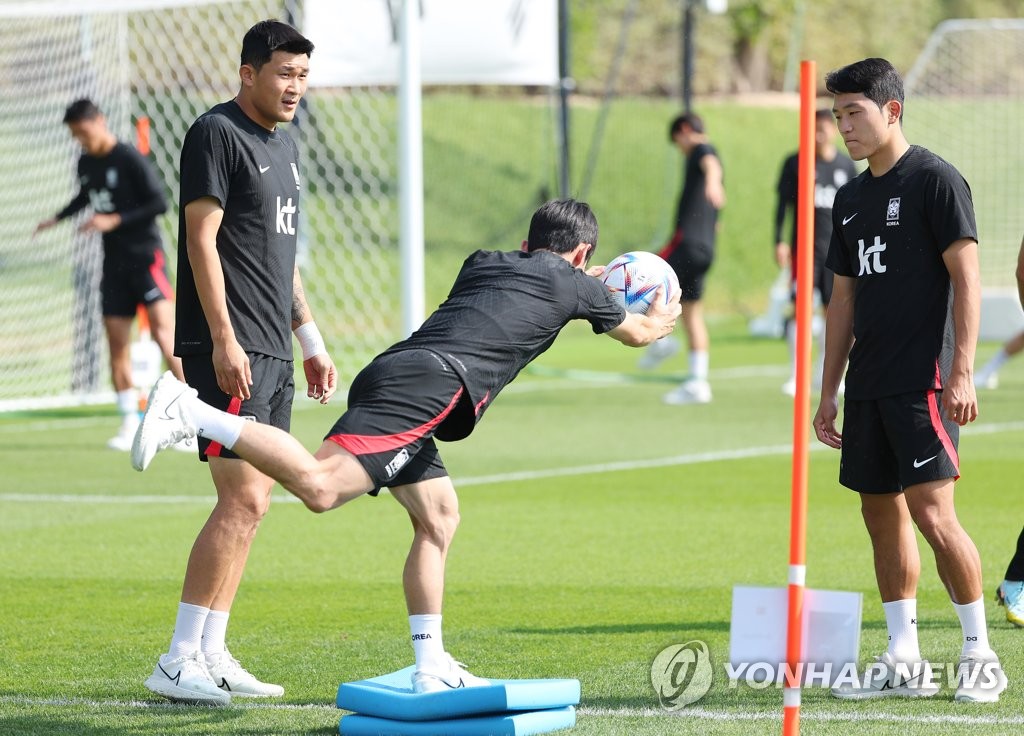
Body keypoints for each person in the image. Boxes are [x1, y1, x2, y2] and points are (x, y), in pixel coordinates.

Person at [132, 198, 681, 695]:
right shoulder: (576, 283)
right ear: (582, 252)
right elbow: (635, 332)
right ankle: (189, 410)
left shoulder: (484, 260)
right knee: (322, 489)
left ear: (527, 242)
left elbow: (541, 288)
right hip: (434, 387)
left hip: (397, 369)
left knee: (439, 517)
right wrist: (661, 315)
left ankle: (431, 663)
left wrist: (595, 284)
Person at [142, 20, 338, 706]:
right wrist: (221, 339)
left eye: (303, 77)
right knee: (244, 496)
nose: (295, 88)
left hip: (274, 348)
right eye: (284, 74)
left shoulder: (282, 146)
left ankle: (211, 650)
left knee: (255, 506)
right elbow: (200, 241)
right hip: (229, 348)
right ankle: (176, 658)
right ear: (248, 72)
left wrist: (308, 338)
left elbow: (280, 259)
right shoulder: (215, 133)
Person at [812, 58, 1006, 702]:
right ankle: (905, 658)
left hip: (924, 380)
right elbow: (842, 303)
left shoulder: (936, 180)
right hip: (867, 383)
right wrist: (828, 389)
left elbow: (968, 279)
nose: (844, 126)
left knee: (933, 514)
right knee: (879, 515)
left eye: (854, 112)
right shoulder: (849, 197)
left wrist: (962, 371)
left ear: (891, 110)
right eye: (837, 114)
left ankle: (980, 656)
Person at [35, 98, 183, 451]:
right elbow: (87, 196)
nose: (80, 140)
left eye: (83, 132)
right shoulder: (86, 161)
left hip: (147, 260)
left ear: (99, 122)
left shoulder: (128, 157)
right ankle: (128, 423)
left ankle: (191, 420)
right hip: (113, 266)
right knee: (117, 345)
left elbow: (158, 203)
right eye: (75, 135)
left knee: (168, 339)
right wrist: (58, 217)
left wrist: (114, 220)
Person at [638, 112, 724, 405]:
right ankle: (698, 384)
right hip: (705, 251)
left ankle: (660, 341)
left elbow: (709, 162)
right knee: (692, 315)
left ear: (685, 131)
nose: (681, 149)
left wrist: (714, 181)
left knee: (642, 280)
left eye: (678, 142)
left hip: (686, 244)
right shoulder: (702, 160)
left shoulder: (702, 149)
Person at [773, 108, 857, 397]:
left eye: (823, 128)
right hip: (804, 251)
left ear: (832, 130)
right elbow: (782, 205)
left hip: (837, 252)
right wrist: (779, 241)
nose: (818, 134)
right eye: (813, 128)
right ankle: (797, 375)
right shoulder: (795, 162)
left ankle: (829, 373)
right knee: (800, 311)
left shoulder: (846, 166)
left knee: (836, 312)